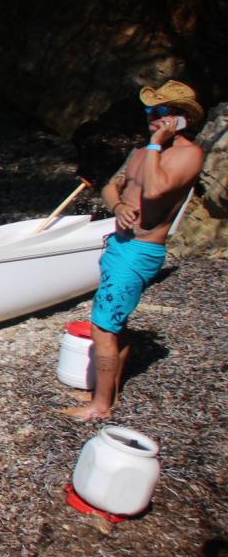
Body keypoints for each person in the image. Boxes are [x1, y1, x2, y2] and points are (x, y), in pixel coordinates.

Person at [61, 80, 205, 421]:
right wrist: (118, 206)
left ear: (180, 117)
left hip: (140, 250)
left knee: (103, 327)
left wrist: (157, 144)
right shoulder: (140, 152)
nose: (151, 118)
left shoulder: (188, 155)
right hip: (120, 244)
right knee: (115, 322)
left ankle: (101, 405)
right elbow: (112, 184)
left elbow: (155, 191)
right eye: (149, 112)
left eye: (159, 112)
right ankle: (108, 390)